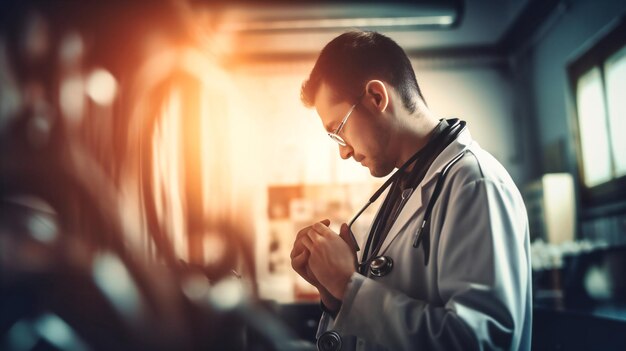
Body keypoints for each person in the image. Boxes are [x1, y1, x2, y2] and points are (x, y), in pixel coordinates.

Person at [290, 30, 531, 351]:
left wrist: (349, 287)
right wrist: (335, 296)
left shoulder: (476, 184)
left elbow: (483, 344)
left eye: (339, 129)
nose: (343, 152)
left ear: (377, 97)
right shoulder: (401, 189)